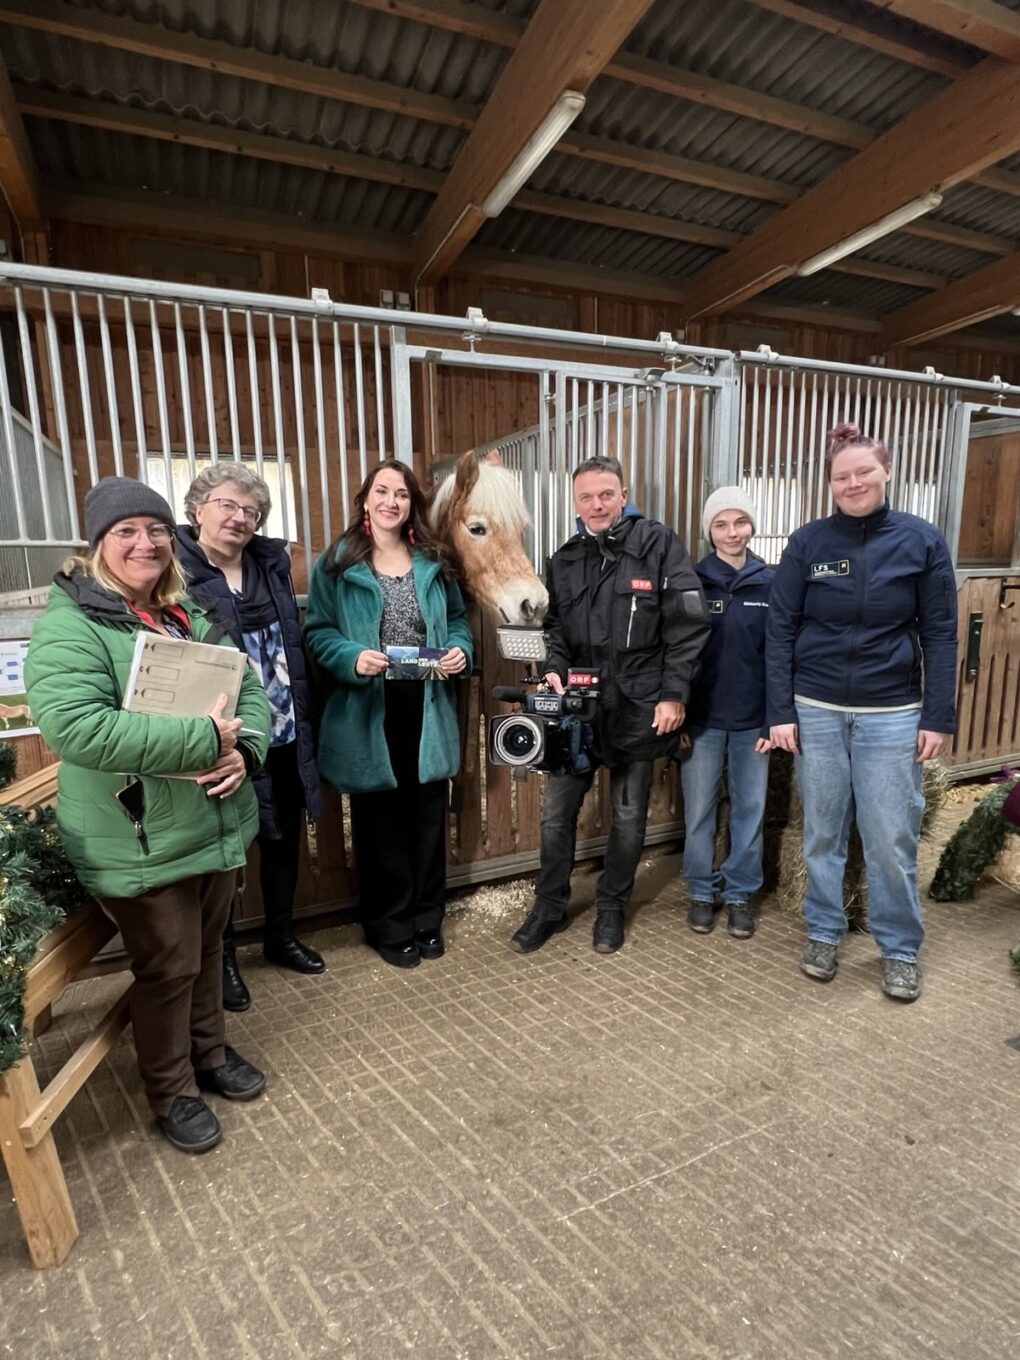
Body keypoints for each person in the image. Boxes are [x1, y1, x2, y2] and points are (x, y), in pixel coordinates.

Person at [25, 477, 271, 1153]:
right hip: (136, 834)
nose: (146, 543)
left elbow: (245, 687)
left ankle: (211, 1056)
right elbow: (78, 728)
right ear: (99, 544)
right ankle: (171, 1091)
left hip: (210, 820)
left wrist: (244, 750)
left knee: (208, 948)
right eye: (126, 531)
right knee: (168, 964)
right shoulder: (71, 625)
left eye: (156, 530)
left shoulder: (187, 614)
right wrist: (205, 741)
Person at [767, 423, 958, 1003]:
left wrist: (938, 715)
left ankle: (899, 947)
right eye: (841, 476)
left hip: (891, 713)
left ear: (887, 471)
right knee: (823, 832)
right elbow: (780, 631)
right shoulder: (808, 544)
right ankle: (824, 930)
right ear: (829, 484)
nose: (853, 484)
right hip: (816, 707)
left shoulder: (922, 542)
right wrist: (781, 710)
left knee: (889, 837)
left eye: (863, 472)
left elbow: (943, 635)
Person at [510, 455, 710, 956]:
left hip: (638, 705)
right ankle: (549, 906)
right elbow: (552, 628)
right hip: (576, 708)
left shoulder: (658, 545)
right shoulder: (564, 558)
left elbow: (686, 627)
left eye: (606, 494)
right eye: (586, 497)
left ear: (624, 495)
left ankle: (612, 907)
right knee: (557, 816)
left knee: (627, 817)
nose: (596, 505)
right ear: (574, 502)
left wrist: (673, 694)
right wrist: (553, 665)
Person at [304, 459, 472, 968]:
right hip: (368, 707)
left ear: (411, 505)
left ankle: (426, 917)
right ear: (365, 500)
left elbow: (459, 621)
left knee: (426, 819)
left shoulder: (434, 560)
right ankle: (388, 923)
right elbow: (318, 632)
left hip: (426, 701)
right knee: (380, 824)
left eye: (401, 494)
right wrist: (352, 657)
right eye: (382, 491)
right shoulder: (337, 562)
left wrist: (459, 651)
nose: (391, 502)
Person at [177, 462, 325, 1010]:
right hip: (222, 739)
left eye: (251, 511)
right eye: (228, 505)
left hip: (283, 727)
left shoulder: (272, 565)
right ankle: (224, 963)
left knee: (283, 838)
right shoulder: (178, 569)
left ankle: (281, 937)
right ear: (198, 508)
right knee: (226, 852)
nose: (240, 518)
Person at [682, 487, 773, 940]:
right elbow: (678, 654)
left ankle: (739, 894)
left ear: (751, 526)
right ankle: (701, 891)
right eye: (721, 524)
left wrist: (775, 717)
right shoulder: (692, 580)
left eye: (740, 522)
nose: (732, 532)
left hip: (753, 722)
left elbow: (779, 655)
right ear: (709, 531)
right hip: (702, 720)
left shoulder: (769, 582)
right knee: (698, 809)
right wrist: (679, 715)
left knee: (749, 808)